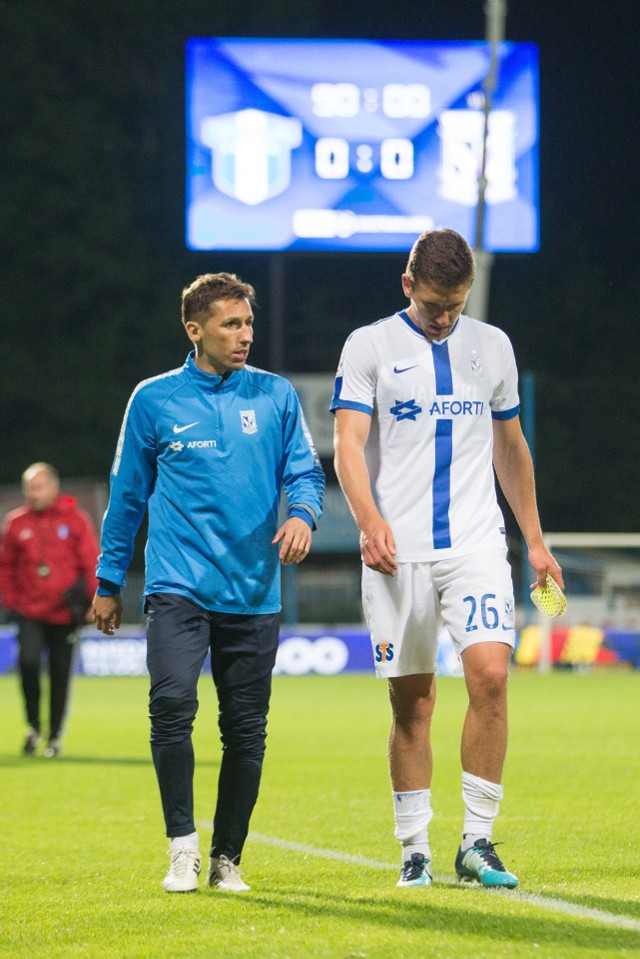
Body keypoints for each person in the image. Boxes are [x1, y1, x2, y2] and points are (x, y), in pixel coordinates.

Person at [331, 228, 563, 890]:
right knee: (415, 703)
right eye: (435, 304)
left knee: (491, 676)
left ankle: (478, 841)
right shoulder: (369, 345)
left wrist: (536, 539)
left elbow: (510, 448)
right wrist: (369, 521)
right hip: (397, 553)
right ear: (408, 285)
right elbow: (349, 444)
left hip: (475, 543)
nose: (445, 318)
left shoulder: (492, 347)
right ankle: (414, 847)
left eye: (456, 305)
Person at [92, 272, 324, 895]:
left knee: (245, 730)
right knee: (170, 705)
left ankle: (227, 858)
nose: (244, 334)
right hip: (178, 584)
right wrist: (109, 579)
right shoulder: (155, 399)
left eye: (248, 323)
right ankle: (182, 848)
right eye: (231, 324)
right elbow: (127, 495)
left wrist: (302, 515)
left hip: (253, 589)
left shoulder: (275, 397)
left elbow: (304, 472)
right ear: (195, 330)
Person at [0, 463, 99, 757]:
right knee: (28, 664)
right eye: (29, 488)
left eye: (39, 487)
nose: (33, 493)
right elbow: (4, 566)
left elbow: (90, 561)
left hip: (65, 612)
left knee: (60, 674)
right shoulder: (15, 523)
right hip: (28, 610)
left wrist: (96, 600)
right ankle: (33, 726)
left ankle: (54, 736)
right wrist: (11, 600)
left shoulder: (75, 520)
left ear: (54, 487)